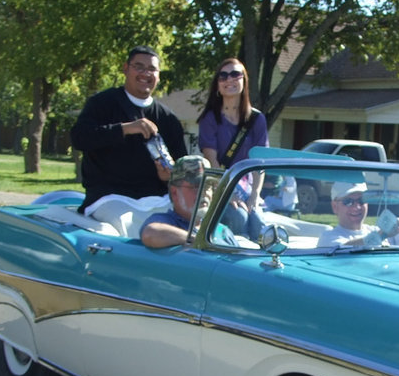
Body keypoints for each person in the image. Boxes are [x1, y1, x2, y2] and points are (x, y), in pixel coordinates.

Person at [71, 46, 186, 213]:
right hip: (108, 198)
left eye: (152, 69)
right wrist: (125, 129)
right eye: (139, 67)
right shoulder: (102, 103)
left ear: (159, 75)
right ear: (126, 68)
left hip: (157, 199)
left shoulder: (168, 119)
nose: (146, 73)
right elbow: (79, 138)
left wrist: (168, 177)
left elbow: (181, 166)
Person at [198, 58, 269, 240]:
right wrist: (227, 194)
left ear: (244, 80)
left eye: (235, 74)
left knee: (259, 221)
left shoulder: (256, 119)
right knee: (239, 218)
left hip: (247, 187)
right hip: (220, 186)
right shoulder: (210, 119)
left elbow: (259, 163)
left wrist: (254, 196)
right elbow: (212, 163)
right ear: (217, 85)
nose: (229, 79)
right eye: (223, 76)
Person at [316, 181, 399, 247]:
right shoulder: (328, 238)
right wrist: (381, 235)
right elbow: (345, 249)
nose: (357, 207)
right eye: (348, 202)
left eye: (361, 200)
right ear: (334, 206)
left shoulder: (381, 232)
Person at [140, 156, 208, 248]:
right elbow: (150, 234)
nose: (205, 192)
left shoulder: (221, 230)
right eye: (196, 187)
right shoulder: (166, 221)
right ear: (174, 192)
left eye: (208, 186)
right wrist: (198, 241)